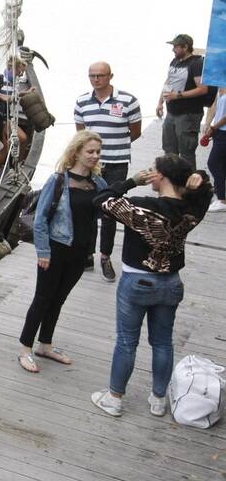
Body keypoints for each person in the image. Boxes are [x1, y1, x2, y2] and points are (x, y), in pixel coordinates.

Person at [90, 155, 212, 418]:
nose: (150, 174)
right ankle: (158, 400)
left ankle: (114, 398)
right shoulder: (191, 210)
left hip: (137, 282)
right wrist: (198, 180)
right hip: (171, 283)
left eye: (154, 171)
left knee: (126, 342)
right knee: (163, 342)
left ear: (162, 177)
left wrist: (131, 181)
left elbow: (101, 200)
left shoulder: (142, 207)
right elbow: (207, 191)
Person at [18, 131, 108, 373]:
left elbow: (104, 211)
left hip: (80, 253)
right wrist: (43, 251)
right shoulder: (58, 181)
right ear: (76, 152)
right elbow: (40, 219)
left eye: (98, 152)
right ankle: (25, 348)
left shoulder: (98, 183)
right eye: (90, 151)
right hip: (56, 250)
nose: (95, 156)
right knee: (42, 298)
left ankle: (45, 345)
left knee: (59, 299)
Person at [74, 62, 142, 280]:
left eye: (100, 76)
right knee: (88, 208)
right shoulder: (82, 101)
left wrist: (115, 146)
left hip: (117, 163)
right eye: (92, 75)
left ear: (110, 76)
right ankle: (87, 253)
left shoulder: (128, 101)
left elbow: (135, 132)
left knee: (110, 210)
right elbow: (81, 137)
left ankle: (105, 256)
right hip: (92, 164)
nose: (96, 80)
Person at [0, 57, 36, 176]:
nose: (20, 75)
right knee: (4, 148)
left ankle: (16, 167)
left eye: (22, 73)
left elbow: (12, 95)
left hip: (5, 118)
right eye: (19, 71)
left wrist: (27, 92)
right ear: (11, 68)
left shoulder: (14, 82)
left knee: (24, 139)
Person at [157, 34, 208, 167]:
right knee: (169, 150)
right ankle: (171, 181)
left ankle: (190, 184)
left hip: (188, 114)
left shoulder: (196, 63)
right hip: (171, 113)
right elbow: (168, 82)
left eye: (176, 47)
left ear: (185, 47)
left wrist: (177, 95)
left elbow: (203, 89)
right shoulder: (175, 61)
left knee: (186, 153)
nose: (173, 49)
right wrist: (160, 103)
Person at [202, 88, 226, 213]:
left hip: (222, 131)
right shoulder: (221, 85)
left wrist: (214, 127)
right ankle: (220, 194)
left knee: (214, 163)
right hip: (220, 132)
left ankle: (222, 199)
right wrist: (208, 124)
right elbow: (215, 105)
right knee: (221, 164)